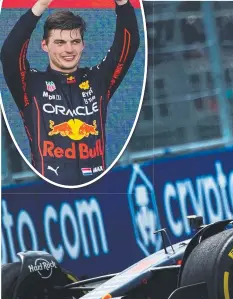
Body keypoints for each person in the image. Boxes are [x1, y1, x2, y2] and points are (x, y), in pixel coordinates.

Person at [1, 0, 140, 186]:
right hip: (49, 191)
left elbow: (129, 44)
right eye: (60, 42)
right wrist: (40, 6)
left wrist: (122, 3)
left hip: (99, 187)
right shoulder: (30, 83)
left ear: (83, 45)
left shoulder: (98, 80)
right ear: (45, 46)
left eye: (75, 42)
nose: (69, 49)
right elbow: (10, 53)